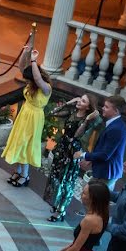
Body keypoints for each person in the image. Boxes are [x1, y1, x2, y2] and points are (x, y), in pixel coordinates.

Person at [43, 94, 102, 222]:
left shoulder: (87, 121)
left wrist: (86, 119)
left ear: (88, 107)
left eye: (83, 101)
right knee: (55, 175)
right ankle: (56, 203)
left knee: (66, 180)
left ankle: (61, 210)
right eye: (80, 98)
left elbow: (77, 134)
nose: (80, 101)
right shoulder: (72, 111)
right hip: (62, 147)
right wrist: (68, 103)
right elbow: (52, 113)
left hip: (72, 150)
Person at [2, 48, 52, 187]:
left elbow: (37, 77)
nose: (27, 81)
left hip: (34, 118)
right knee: (19, 142)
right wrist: (25, 53)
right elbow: (22, 68)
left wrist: (34, 60)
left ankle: (25, 175)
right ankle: (18, 171)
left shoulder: (45, 88)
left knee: (26, 144)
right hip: (24, 114)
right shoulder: (31, 84)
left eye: (29, 79)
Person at [74, 95, 126, 192]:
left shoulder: (116, 129)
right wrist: (91, 160)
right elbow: (105, 148)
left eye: (107, 107)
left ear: (116, 111)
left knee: (95, 200)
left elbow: (105, 154)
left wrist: (83, 155)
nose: (103, 108)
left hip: (107, 173)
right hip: (105, 170)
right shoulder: (115, 124)